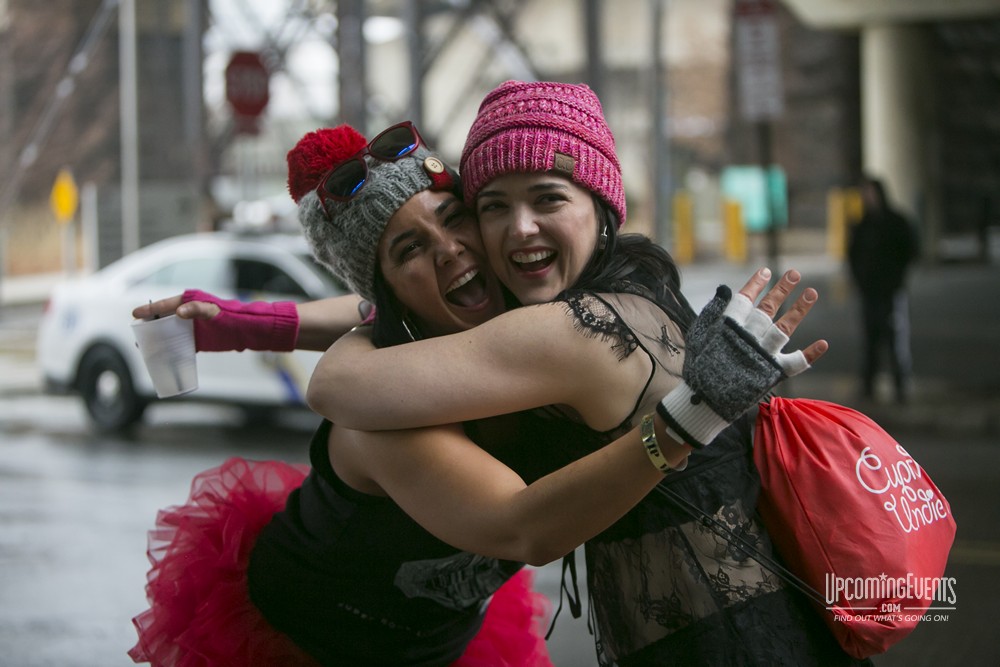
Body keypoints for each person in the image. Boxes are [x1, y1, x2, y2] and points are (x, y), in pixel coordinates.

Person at [128, 120, 800, 666]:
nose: (451, 249)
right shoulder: (380, 406)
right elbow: (522, 525)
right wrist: (689, 417)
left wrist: (245, 324)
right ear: (387, 291)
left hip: (442, 642)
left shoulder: (526, 315)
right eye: (410, 250)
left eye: (455, 218)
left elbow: (364, 314)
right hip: (307, 641)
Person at [307, 81, 868, 666]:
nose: (520, 228)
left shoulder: (575, 328)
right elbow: (381, 314)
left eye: (548, 199)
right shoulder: (635, 285)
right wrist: (258, 323)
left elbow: (334, 385)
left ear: (600, 207)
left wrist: (689, 419)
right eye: (494, 206)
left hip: (728, 645)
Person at [848, 174, 920, 403]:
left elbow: (909, 252)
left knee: (895, 339)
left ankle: (900, 386)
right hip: (870, 293)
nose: (867, 198)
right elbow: (853, 256)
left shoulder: (896, 222)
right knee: (871, 339)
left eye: (870, 192)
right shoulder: (863, 225)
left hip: (891, 291)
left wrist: (896, 279)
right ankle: (869, 386)